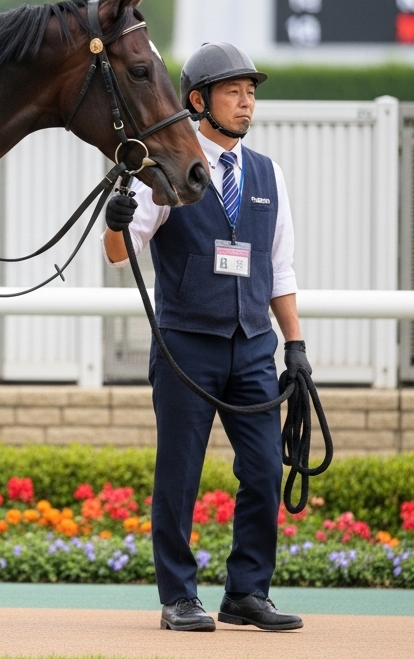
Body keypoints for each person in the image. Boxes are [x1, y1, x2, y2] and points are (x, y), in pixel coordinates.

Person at [101, 42, 309, 632]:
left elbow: (280, 268)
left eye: (251, 93)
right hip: (185, 344)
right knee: (180, 473)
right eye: (233, 92)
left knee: (266, 468)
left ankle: (246, 592)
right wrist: (116, 222)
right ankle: (178, 597)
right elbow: (120, 256)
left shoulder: (267, 173)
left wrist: (294, 347)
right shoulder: (165, 167)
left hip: (252, 346)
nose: (246, 103)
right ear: (198, 101)